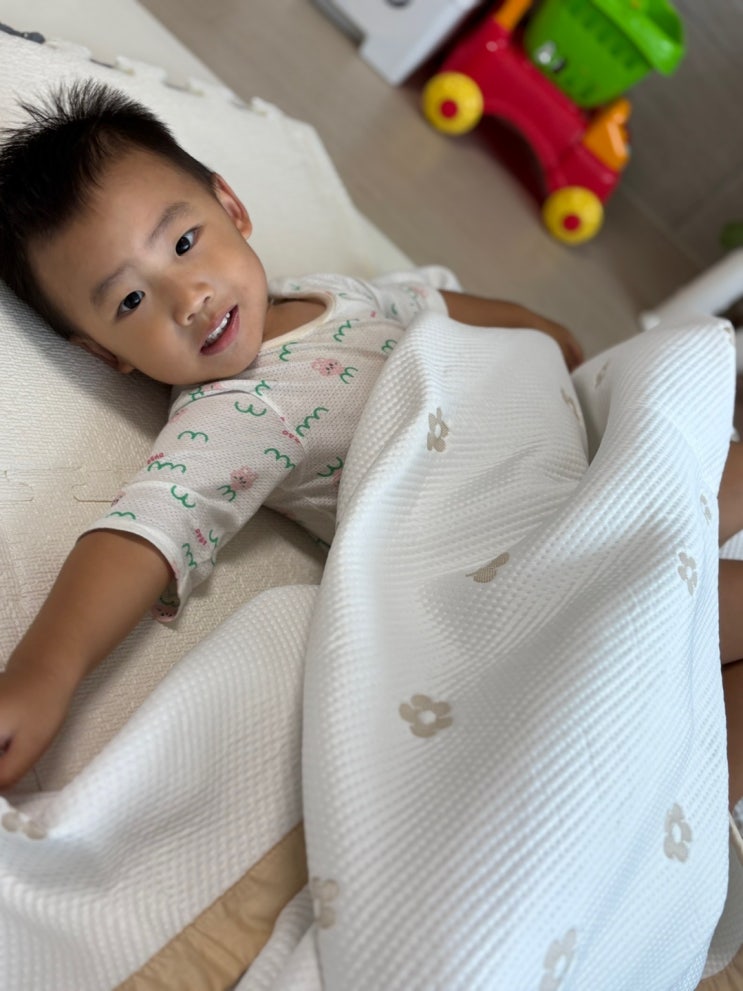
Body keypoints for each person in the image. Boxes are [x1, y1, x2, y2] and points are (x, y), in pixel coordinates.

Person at [0, 81, 739, 802]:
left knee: (694, 404)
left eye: (185, 242)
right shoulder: (235, 413)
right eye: (131, 300)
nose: (187, 298)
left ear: (232, 206)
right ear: (107, 354)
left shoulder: (332, 293)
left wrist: (535, 327)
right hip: (529, 549)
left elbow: (433, 306)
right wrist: (45, 671)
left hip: (567, 448)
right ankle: (682, 797)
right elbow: (148, 525)